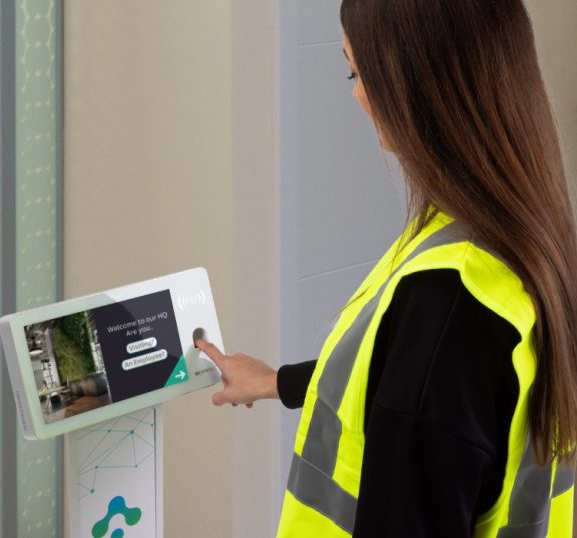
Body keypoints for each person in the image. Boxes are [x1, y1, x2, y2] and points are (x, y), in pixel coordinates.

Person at [196, 0, 577, 535]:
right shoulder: (505, 247)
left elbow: (427, 393)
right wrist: (276, 382)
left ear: (417, 82)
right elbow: (415, 391)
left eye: (358, 70)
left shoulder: (447, 305)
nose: (357, 94)